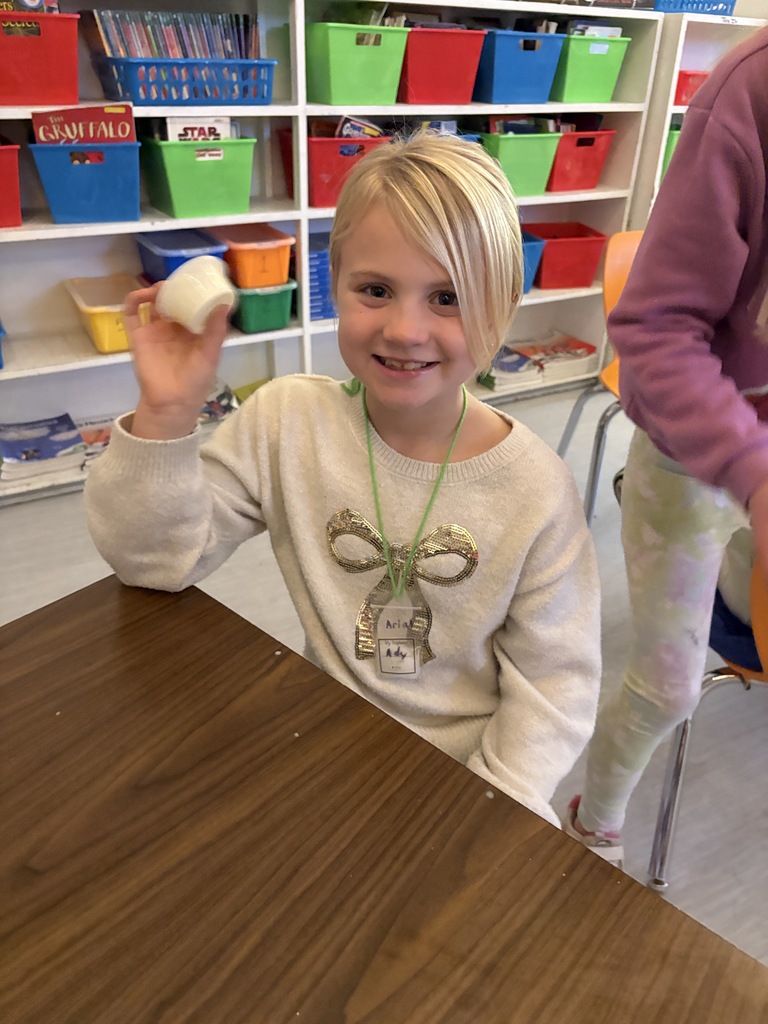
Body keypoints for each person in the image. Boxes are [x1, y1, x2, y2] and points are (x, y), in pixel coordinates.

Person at [85, 131, 601, 827]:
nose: (405, 328)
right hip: (315, 747)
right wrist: (167, 413)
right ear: (335, 285)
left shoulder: (536, 490)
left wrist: (493, 808)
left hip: (465, 785)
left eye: (447, 297)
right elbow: (154, 561)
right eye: (376, 290)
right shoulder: (287, 420)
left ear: (502, 306)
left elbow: (556, 685)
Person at [564, 28, 768, 864]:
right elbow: (653, 323)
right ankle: (595, 822)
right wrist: (751, 476)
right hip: (695, 450)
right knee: (667, 685)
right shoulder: (750, 95)